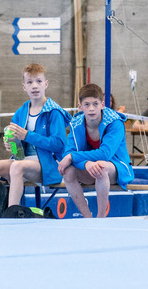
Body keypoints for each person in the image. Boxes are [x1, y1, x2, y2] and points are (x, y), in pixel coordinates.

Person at [0, 63, 71, 218]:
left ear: (46, 84)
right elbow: (18, 150)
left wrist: (27, 135)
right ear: (24, 87)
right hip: (24, 161)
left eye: (38, 81)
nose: (34, 86)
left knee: (17, 167)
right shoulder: (21, 112)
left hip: (48, 164)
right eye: (30, 82)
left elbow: (59, 144)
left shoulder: (54, 112)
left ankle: (11, 216)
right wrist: (12, 144)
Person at [59, 83, 135, 218]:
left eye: (95, 103)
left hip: (116, 167)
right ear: (80, 106)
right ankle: (87, 217)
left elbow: (105, 154)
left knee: (101, 166)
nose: (92, 109)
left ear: (102, 104)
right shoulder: (75, 124)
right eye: (87, 104)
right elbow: (67, 153)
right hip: (89, 168)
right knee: (68, 171)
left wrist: (72, 157)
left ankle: (101, 218)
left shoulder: (115, 123)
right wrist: (85, 163)